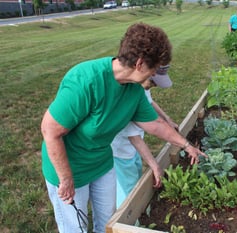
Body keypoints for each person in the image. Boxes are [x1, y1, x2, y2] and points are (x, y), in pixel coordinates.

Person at [40, 22, 206, 233]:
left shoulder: (134, 91)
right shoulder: (86, 80)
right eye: (153, 69)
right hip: (70, 168)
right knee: (76, 228)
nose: (152, 76)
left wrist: (186, 145)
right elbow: (50, 131)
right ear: (140, 64)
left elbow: (155, 125)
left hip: (101, 164)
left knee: (109, 223)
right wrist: (65, 178)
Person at [112, 64, 178, 208]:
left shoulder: (142, 86)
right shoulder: (128, 94)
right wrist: (155, 166)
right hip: (120, 150)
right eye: (153, 82)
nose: (154, 86)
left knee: (135, 179)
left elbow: (149, 102)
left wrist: (167, 119)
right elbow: (133, 137)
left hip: (131, 148)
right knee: (128, 190)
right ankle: (127, 220)